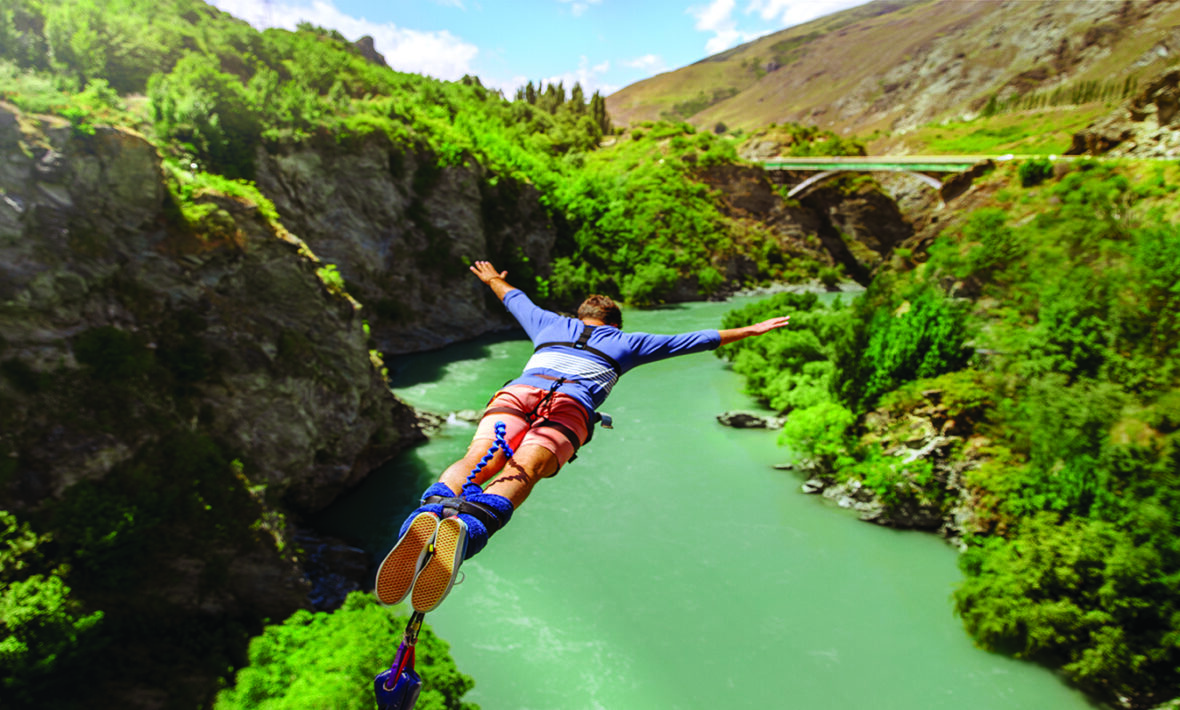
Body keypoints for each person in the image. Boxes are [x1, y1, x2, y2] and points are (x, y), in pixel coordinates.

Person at [376, 260, 791, 613]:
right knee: (524, 470)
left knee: (479, 456)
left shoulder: (550, 322)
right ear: (615, 323)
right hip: (568, 405)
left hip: (520, 392)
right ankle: (469, 528)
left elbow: (513, 297)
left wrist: (490, 279)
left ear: (579, 316)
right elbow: (692, 340)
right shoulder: (630, 342)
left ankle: (426, 516)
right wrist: (751, 330)